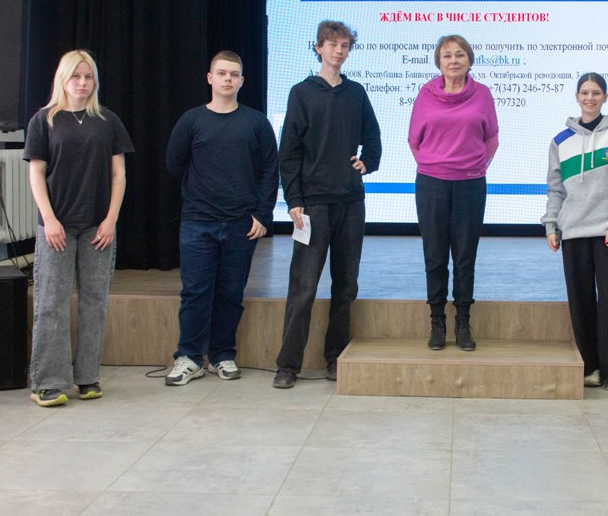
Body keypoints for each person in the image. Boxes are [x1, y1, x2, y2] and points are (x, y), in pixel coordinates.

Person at [273, 21, 382, 389]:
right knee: (303, 288)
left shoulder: (356, 93)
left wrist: (369, 161)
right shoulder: (301, 93)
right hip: (313, 207)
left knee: (345, 286)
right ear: (318, 48)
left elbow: (373, 137)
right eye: (332, 44)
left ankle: (335, 357)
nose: (339, 50)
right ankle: (288, 365)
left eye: (345, 45)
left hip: (350, 203)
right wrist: (294, 199)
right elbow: (288, 152)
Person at [24, 49, 134, 407]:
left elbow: (119, 175)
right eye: (76, 76)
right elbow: (36, 173)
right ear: (63, 78)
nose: (83, 83)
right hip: (55, 227)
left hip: (97, 228)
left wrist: (111, 220)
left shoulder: (108, 121)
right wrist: (49, 219)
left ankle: (87, 377)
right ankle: (48, 383)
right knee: (51, 303)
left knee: (94, 303)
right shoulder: (44, 120)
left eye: (89, 77)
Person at [165, 51, 278, 386]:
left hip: (241, 223)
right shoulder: (192, 120)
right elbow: (174, 164)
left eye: (234, 74)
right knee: (195, 292)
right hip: (198, 222)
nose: (228, 78)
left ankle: (222, 355)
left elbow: (270, 171)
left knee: (230, 292)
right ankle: (189, 357)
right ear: (210, 78)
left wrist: (262, 214)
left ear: (242, 81)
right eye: (222, 73)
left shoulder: (256, 123)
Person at [543, 72, 608, 391]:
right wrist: (551, 224)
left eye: (596, 92)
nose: (589, 98)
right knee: (580, 300)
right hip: (572, 230)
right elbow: (555, 188)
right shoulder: (561, 141)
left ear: (605, 97)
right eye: (584, 92)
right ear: (577, 97)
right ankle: (591, 367)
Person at [408, 35, 498, 351]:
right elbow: (414, 141)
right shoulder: (425, 94)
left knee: (464, 257)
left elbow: (491, 139)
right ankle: (437, 321)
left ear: (469, 60)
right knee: (434, 256)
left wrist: (471, 168)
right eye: (447, 55)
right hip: (431, 184)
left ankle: (462, 322)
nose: (454, 60)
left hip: (471, 185)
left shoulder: (483, 94)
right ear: (438, 62)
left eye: (460, 54)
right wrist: (437, 166)